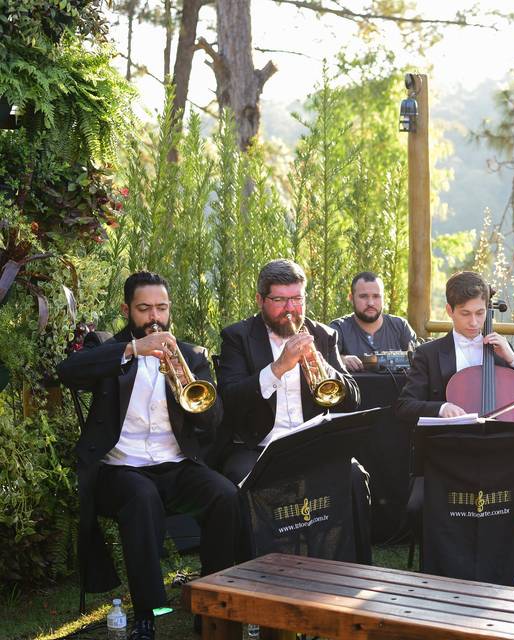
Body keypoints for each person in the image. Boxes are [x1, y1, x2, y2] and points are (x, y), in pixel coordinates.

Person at [58, 272, 237, 640]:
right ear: (127, 309)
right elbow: (67, 372)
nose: (154, 317)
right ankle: (147, 612)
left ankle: (210, 602)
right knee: (141, 497)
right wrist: (133, 349)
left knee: (226, 496)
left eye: (161, 307)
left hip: (175, 466)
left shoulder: (190, 355)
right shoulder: (108, 347)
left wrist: (193, 391)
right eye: (144, 309)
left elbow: (214, 424)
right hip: (119, 470)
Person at [395, 271, 514, 573]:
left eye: (480, 313)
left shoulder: (500, 350)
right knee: (418, 505)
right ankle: (441, 569)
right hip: (449, 460)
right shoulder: (429, 354)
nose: (473, 322)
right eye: (465, 314)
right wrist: (440, 407)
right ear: (449, 311)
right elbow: (404, 406)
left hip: (499, 459)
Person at [216, 259, 371, 562]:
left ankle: (356, 569)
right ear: (260, 300)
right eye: (280, 300)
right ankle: (252, 572)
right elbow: (230, 399)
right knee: (239, 478)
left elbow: (352, 398)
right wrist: (277, 368)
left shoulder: (323, 335)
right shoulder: (237, 336)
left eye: (297, 299)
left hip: (311, 443)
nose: (291, 309)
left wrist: (324, 367)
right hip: (258, 446)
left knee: (354, 475)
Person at [329, 271, 418, 371]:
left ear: (384, 298)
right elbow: (324, 361)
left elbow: (420, 362)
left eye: (376, 296)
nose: (370, 303)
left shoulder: (401, 327)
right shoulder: (338, 329)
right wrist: (341, 359)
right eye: (363, 296)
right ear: (351, 298)